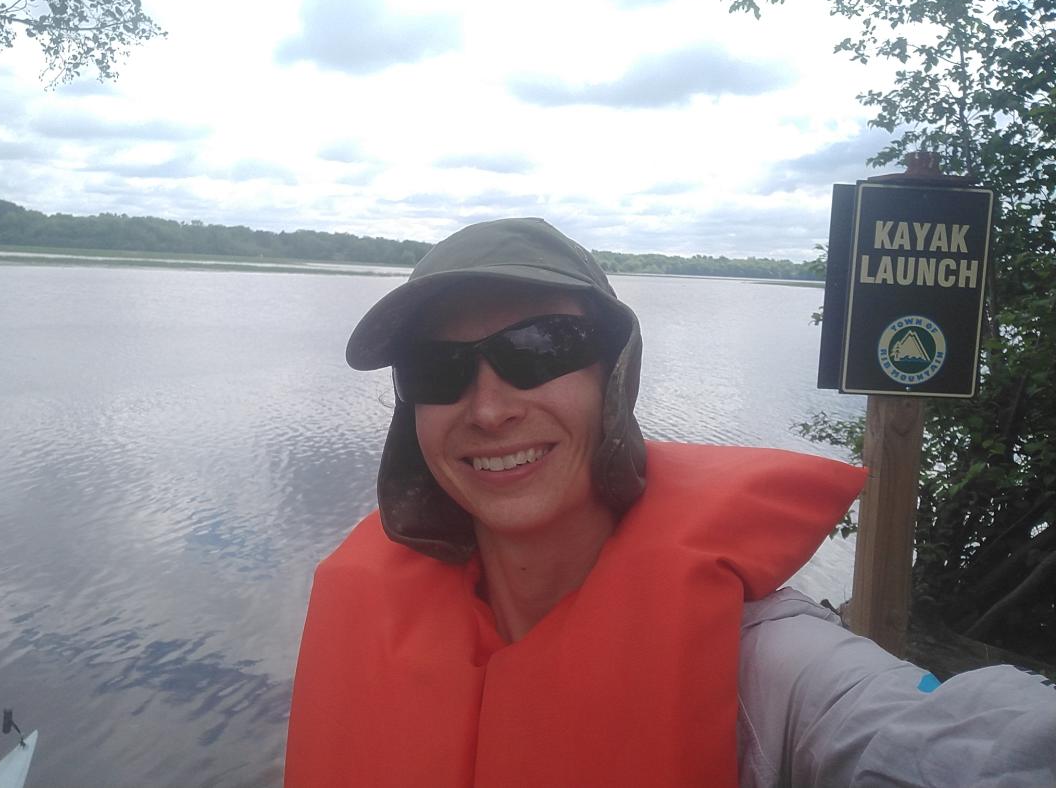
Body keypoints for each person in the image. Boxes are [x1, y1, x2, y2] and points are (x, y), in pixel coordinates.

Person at [285, 218, 1056, 787]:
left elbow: (966, 746)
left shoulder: (769, 667)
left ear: (614, 379)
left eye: (540, 349)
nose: (488, 409)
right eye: (437, 368)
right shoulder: (375, 619)